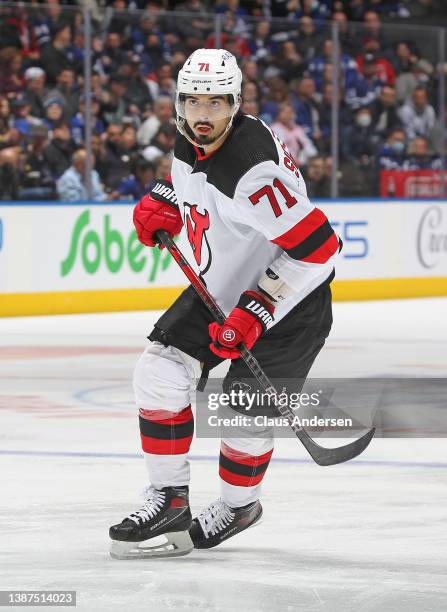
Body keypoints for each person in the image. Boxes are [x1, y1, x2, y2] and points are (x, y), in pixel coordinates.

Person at [109, 48, 340, 559]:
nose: (203, 114)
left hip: (289, 303)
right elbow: (190, 180)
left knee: (242, 411)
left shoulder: (252, 171)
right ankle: (169, 497)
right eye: (193, 100)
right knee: (159, 371)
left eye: (216, 103)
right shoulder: (192, 134)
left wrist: (255, 309)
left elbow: (321, 249)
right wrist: (167, 199)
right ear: (179, 101)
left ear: (235, 103)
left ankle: (239, 505)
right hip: (221, 287)